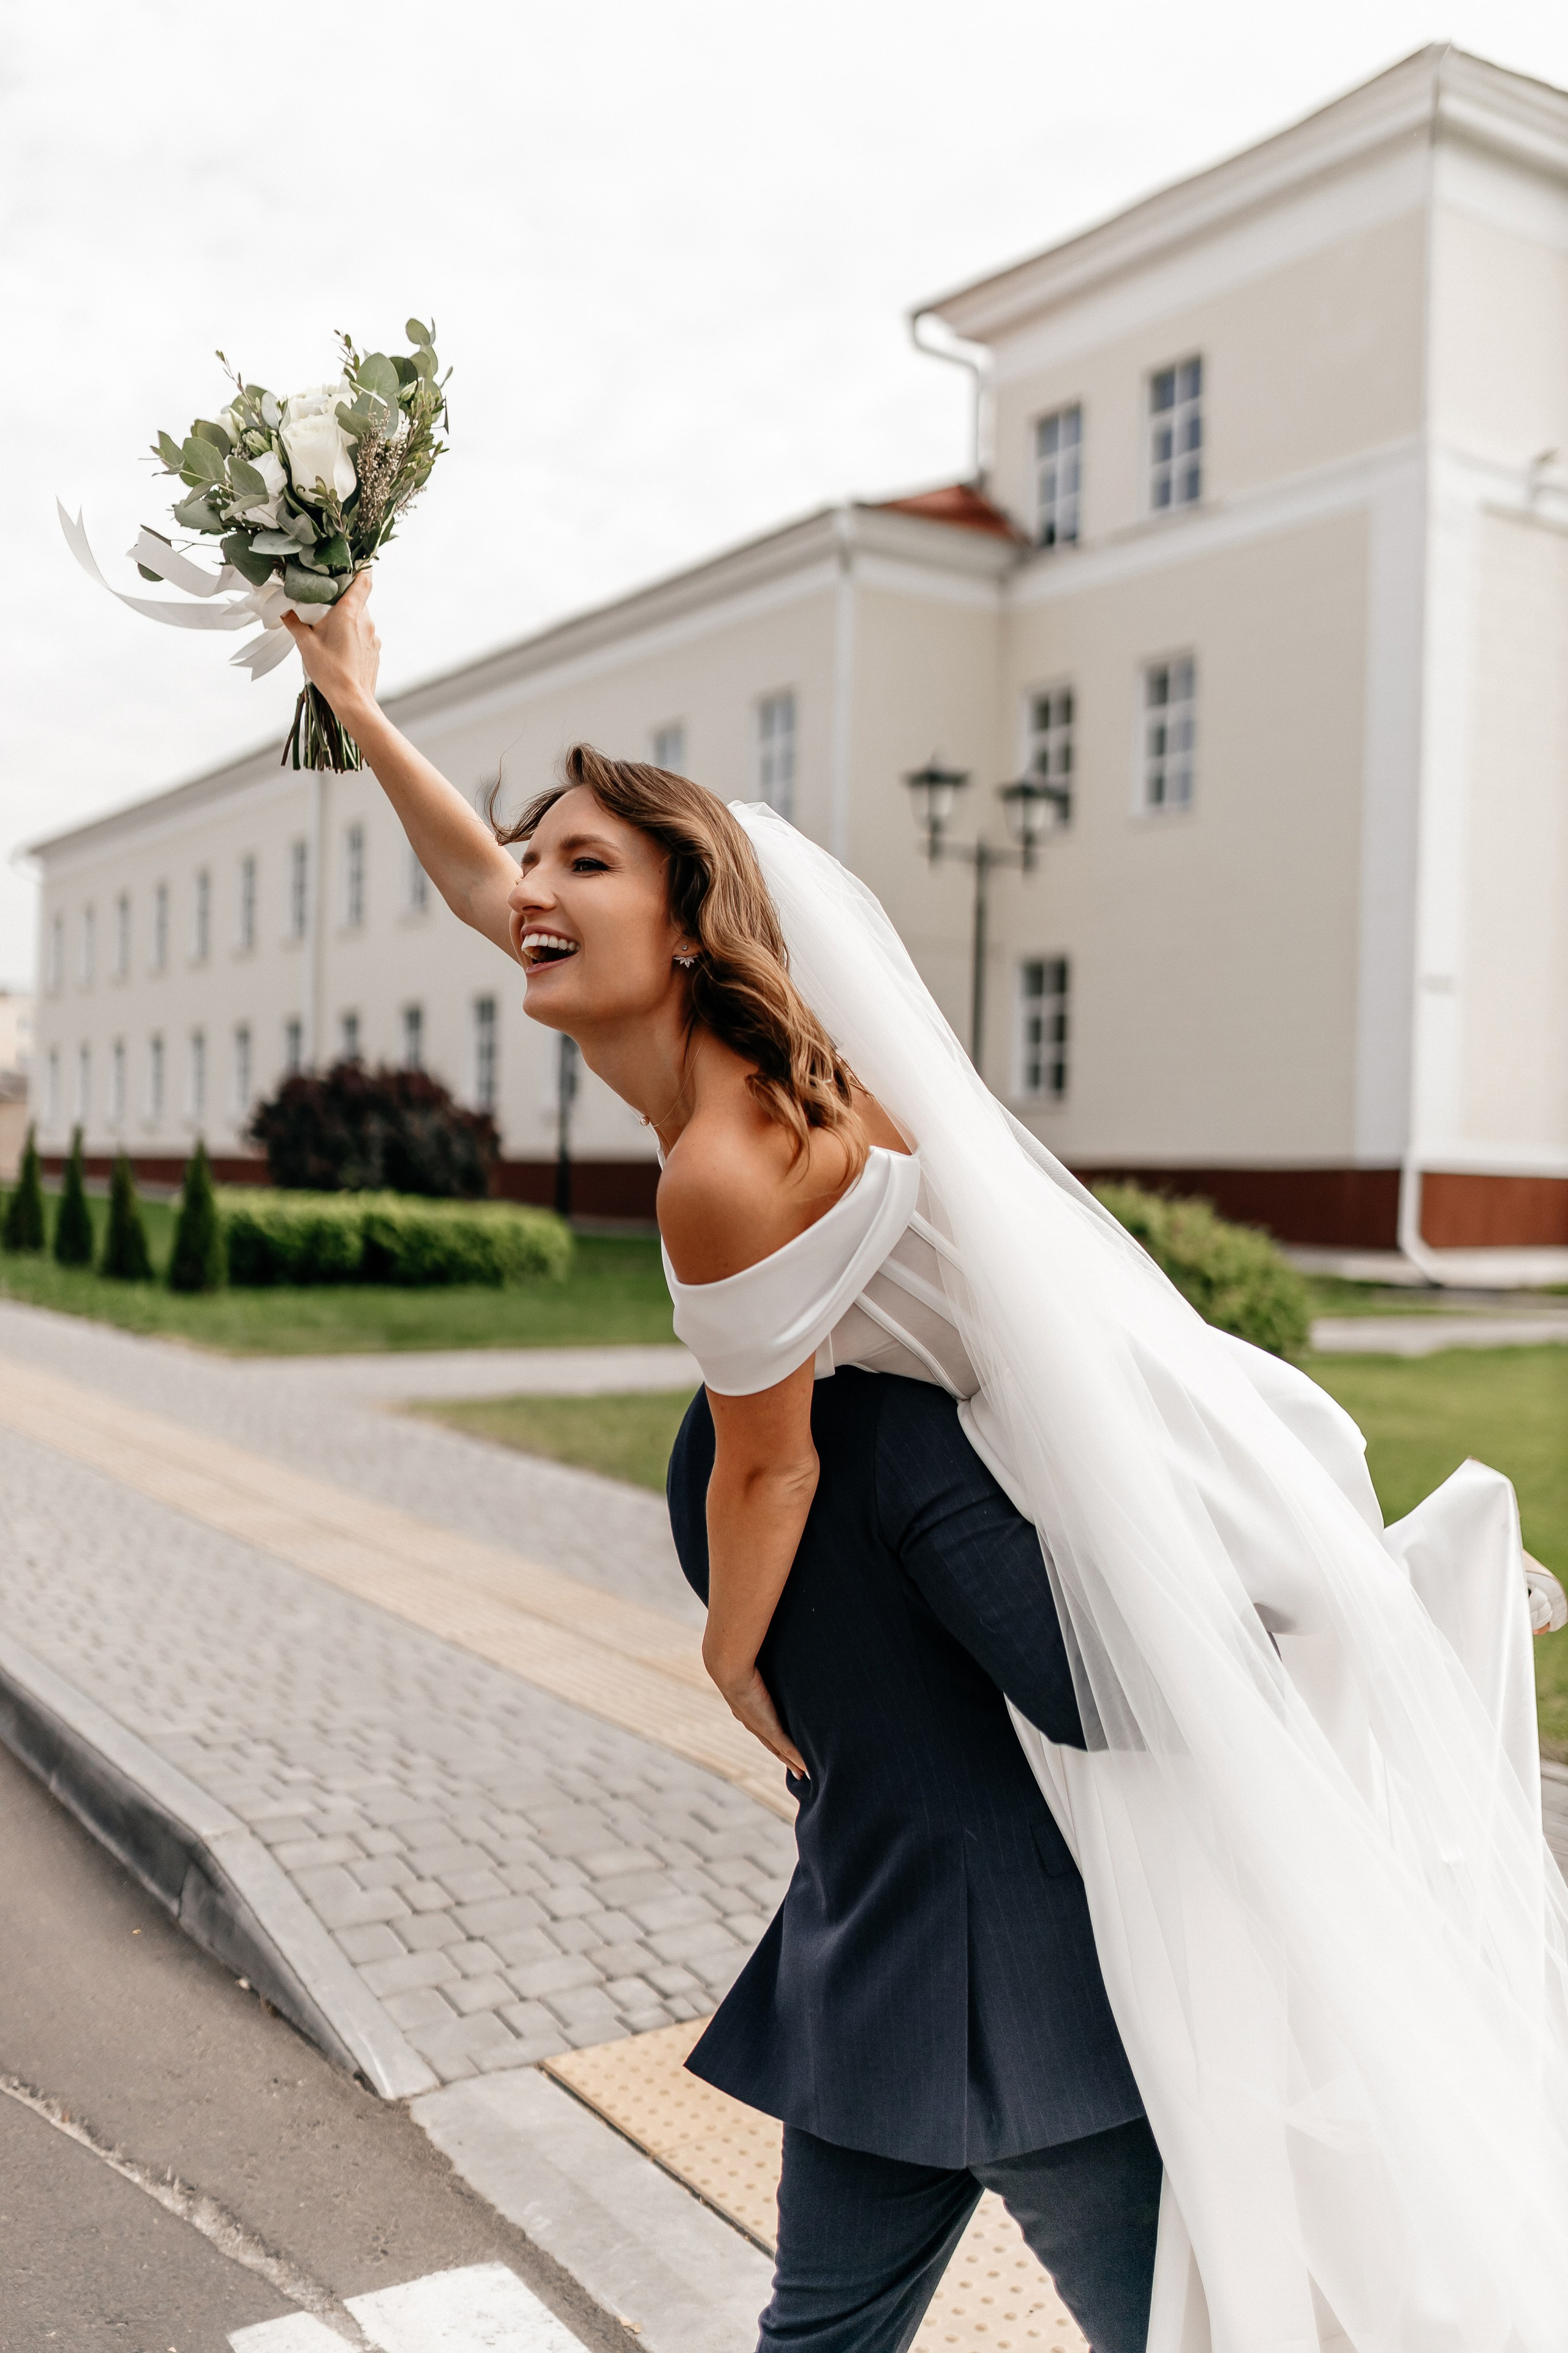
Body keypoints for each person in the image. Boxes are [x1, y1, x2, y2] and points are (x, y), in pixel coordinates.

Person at [286, 580, 1568, 2352]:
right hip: (960, 1595)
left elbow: (771, 1476)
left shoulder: (730, 1158)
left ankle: (1371, 1611)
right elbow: (468, 882)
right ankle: (1356, 1618)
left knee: (1138, 2276)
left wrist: (728, 1649)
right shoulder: (716, 1060)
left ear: (687, 916)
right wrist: (354, 699)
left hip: (1024, 1479)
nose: (532, 895)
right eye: (539, 861)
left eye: (586, 866)